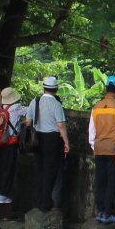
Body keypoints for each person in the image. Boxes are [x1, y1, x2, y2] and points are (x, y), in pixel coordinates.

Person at [31, 75, 70, 213]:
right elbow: (60, 125)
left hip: (37, 138)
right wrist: (66, 142)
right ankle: (47, 203)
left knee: (39, 170)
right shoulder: (56, 104)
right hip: (52, 138)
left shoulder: (35, 102)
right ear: (56, 89)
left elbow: (29, 121)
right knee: (50, 171)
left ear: (44, 88)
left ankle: (40, 200)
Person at [88, 76, 115, 222]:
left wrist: (94, 145)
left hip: (99, 149)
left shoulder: (96, 107)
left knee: (100, 181)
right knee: (112, 181)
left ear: (105, 89)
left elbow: (92, 131)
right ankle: (108, 212)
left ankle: (100, 210)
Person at [0, 86, 27, 212]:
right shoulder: (17, 108)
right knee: (9, 168)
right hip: (11, 141)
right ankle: (4, 194)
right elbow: (31, 112)